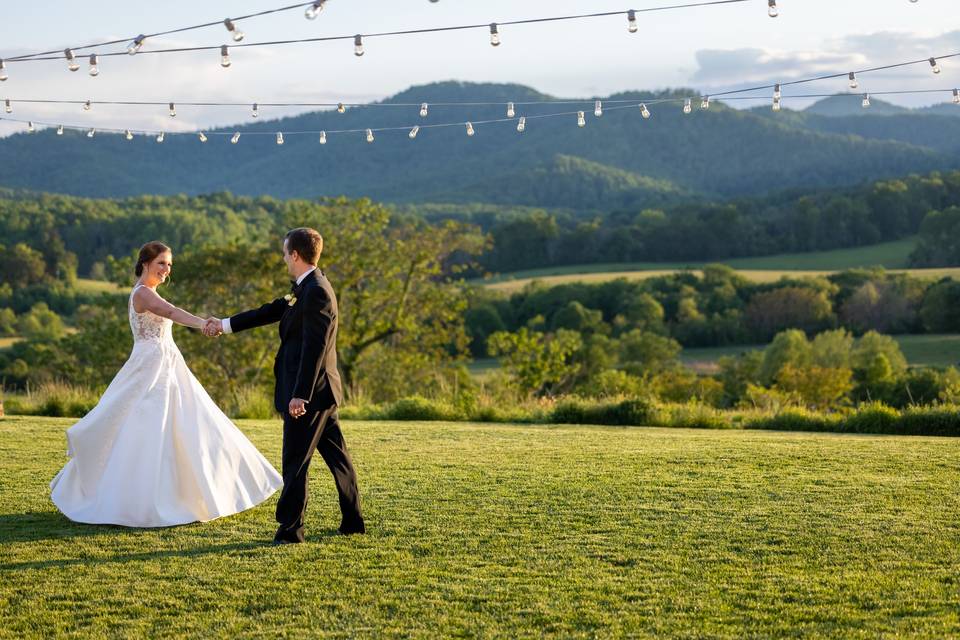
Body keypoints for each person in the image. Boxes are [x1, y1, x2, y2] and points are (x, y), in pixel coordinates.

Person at [50, 241, 282, 527]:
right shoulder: (144, 294)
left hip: (168, 364)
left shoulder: (150, 292)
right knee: (143, 426)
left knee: (190, 422)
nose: (166, 269)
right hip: (150, 366)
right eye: (161, 263)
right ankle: (133, 501)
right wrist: (207, 324)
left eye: (169, 264)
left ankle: (189, 493)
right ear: (145, 263)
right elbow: (171, 312)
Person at [204, 227, 364, 544]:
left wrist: (299, 395)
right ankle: (352, 521)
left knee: (295, 461)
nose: (283, 259)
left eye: (284, 253)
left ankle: (291, 531)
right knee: (338, 459)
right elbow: (272, 310)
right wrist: (224, 324)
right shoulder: (305, 288)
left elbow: (314, 349)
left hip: (310, 396)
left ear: (295, 254)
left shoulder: (316, 291)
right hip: (322, 393)